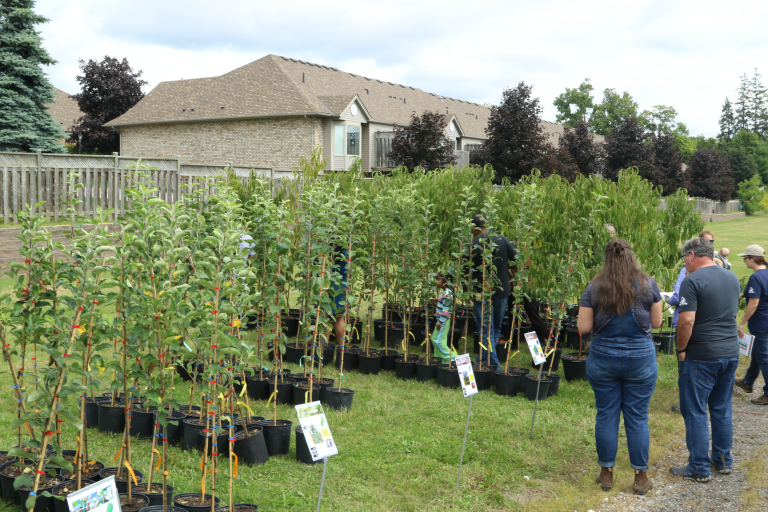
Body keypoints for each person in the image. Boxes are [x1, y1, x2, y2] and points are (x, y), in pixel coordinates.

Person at [577, 239, 662, 496]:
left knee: (606, 415)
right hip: (640, 360)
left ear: (607, 259)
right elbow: (657, 323)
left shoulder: (595, 286)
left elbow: (583, 328)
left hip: (603, 358)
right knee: (637, 417)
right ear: (631, 257)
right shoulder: (648, 284)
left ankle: (606, 474)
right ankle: (641, 476)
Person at [671, 237, 741, 482]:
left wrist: (681, 349)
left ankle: (699, 467)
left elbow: (686, 320)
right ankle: (723, 460)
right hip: (730, 352)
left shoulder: (692, 281)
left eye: (684, 259)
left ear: (691, 255)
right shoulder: (732, 277)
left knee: (696, 410)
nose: (685, 265)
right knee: (722, 408)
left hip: (702, 355)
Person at [465, 214, 517, 371]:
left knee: (485, 329)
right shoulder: (502, 239)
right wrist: (511, 274)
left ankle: (493, 364)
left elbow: (465, 269)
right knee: (494, 328)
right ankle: (484, 358)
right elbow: (517, 259)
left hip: (482, 294)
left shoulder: (473, 244)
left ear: (474, 228)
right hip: (502, 292)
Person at [735, 245, 768, 405]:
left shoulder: (756, 277)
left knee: (764, 357)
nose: (744, 261)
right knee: (758, 353)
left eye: (745, 258)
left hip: (761, 323)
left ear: (752, 259)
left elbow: (753, 304)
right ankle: (748, 382)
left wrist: (742, 323)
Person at [432, 273, 458, 363]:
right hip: (441, 319)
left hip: (443, 320)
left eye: (439, 279)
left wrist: (440, 323)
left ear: (445, 281)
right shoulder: (444, 292)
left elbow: (446, 311)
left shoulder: (447, 293)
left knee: (437, 341)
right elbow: (444, 306)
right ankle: (442, 360)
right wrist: (437, 302)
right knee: (437, 339)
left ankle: (454, 357)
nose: (437, 281)